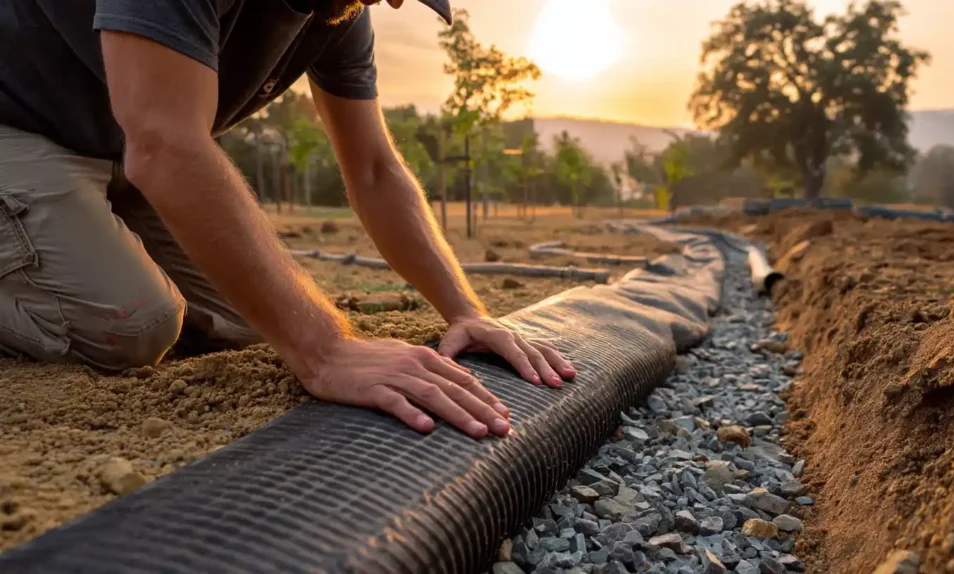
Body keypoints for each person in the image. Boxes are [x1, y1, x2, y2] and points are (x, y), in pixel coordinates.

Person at [0, 0, 576, 439]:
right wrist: (325, 350)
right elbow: (163, 141)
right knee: (134, 325)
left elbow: (374, 169)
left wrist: (466, 309)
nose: (395, 3)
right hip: (19, 128)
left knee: (251, 319)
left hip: (113, 151)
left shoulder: (340, 11)